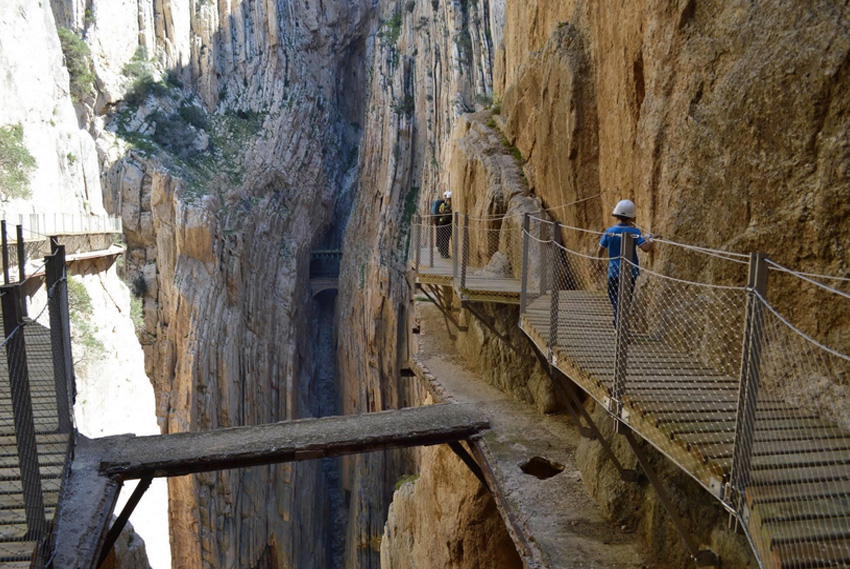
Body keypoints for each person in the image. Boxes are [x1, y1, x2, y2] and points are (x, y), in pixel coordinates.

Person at [596, 199, 657, 327]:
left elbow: (600, 250)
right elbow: (645, 248)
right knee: (626, 299)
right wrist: (652, 239)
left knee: (614, 298)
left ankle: (618, 323)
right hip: (630, 273)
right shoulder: (634, 232)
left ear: (617, 216)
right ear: (632, 216)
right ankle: (620, 323)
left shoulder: (609, 231)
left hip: (613, 272)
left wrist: (598, 263)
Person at [436, 191, 452, 258]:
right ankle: (445, 253)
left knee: (442, 238)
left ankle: (442, 253)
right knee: (446, 239)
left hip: (441, 222)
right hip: (447, 223)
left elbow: (440, 211)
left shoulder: (442, 205)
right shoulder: (449, 205)